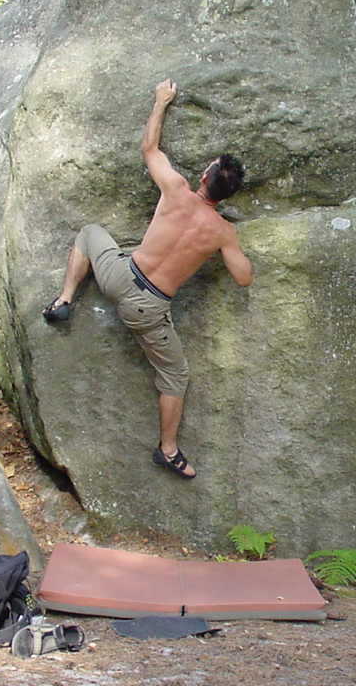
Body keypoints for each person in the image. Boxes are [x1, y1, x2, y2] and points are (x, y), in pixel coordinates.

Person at [42, 79, 253, 479]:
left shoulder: (175, 189)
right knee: (175, 376)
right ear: (227, 195)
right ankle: (168, 450)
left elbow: (149, 149)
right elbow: (243, 278)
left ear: (204, 175)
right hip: (147, 309)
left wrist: (160, 102)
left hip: (119, 274)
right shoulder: (222, 232)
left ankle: (65, 299)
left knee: (89, 233)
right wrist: (232, 243)